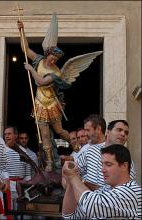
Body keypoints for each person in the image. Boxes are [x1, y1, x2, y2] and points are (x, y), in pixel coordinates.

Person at [17, 18, 102, 172]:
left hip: (52, 104)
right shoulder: (39, 60)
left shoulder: (56, 72)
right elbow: (25, 49)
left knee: (59, 131)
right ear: (47, 53)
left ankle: (76, 146)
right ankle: (49, 162)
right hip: (40, 103)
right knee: (44, 134)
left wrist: (30, 69)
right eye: (52, 56)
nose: (53, 59)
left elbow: (41, 82)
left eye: (56, 58)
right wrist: (21, 31)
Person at [62, 144, 141, 219]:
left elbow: (91, 206)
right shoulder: (104, 190)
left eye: (108, 164)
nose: (102, 170)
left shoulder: (133, 191)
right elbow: (71, 216)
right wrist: (70, 182)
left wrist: (73, 176)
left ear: (124, 166)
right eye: (102, 164)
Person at [76, 119, 136, 191]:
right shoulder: (91, 151)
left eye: (126, 133)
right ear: (108, 132)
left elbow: (124, 190)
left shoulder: (127, 161)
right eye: (119, 130)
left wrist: (87, 184)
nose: (123, 134)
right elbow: (72, 172)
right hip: (85, 200)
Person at [4, 126, 31, 210]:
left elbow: (28, 174)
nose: (7, 136)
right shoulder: (2, 150)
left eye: (9, 134)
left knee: (19, 215)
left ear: (16, 136)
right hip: (6, 187)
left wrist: (24, 187)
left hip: (21, 190)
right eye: (5, 134)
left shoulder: (25, 152)